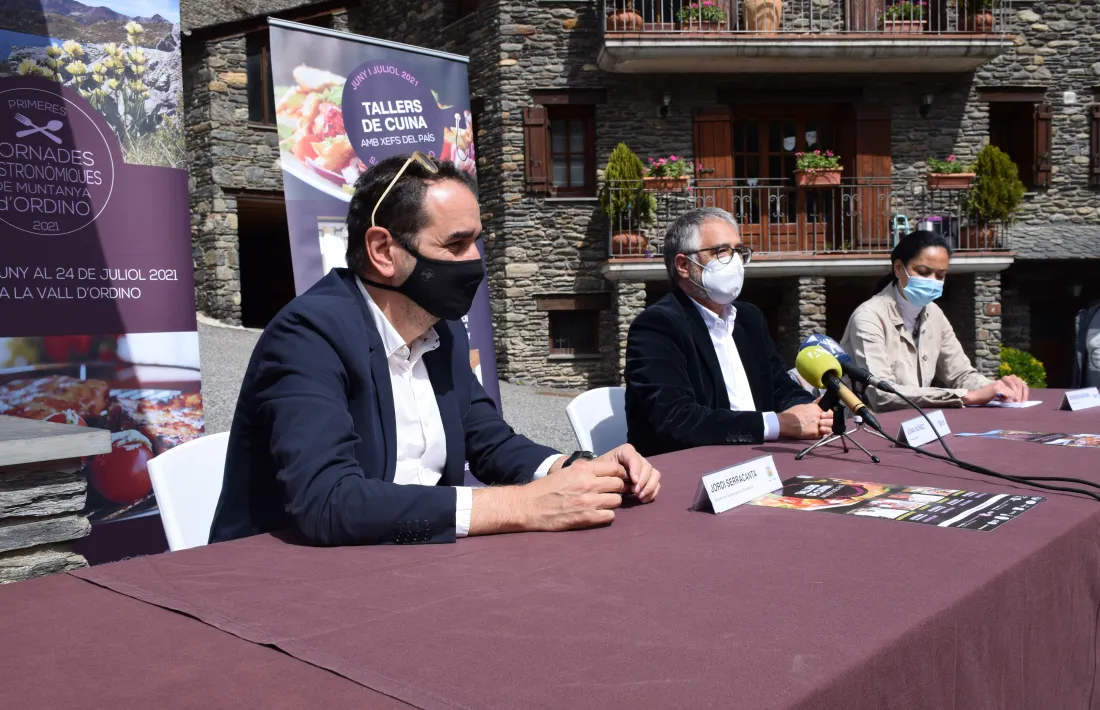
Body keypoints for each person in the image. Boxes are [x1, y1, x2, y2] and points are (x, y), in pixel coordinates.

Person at [210, 153, 660, 546]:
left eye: (477, 242)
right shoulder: (307, 336)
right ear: (383, 250)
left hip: (402, 565)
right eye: (456, 244)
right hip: (273, 590)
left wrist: (577, 469)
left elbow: (489, 442)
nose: (475, 262)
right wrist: (521, 506)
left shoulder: (443, 331)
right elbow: (328, 501)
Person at [624, 207, 832, 458]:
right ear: (683, 265)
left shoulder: (749, 318)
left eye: (739, 252)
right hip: (691, 469)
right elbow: (676, 420)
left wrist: (810, 410)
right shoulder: (657, 326)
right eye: (721, 251)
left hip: (763, 459)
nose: (734, 262)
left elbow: (779, 387)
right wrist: (779, 424)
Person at [840, 230, 1029, 412]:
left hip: (917, 422)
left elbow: (960, 373)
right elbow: (881, 394)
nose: (932, 281)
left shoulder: (934, 313)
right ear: (898, 268)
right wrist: (963, 396)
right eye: (923, 272)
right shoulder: (868, 316)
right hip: (866, 429)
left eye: (940, 275)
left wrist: (998, 388)